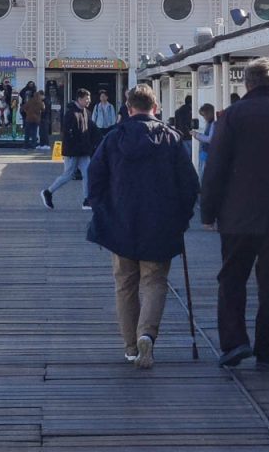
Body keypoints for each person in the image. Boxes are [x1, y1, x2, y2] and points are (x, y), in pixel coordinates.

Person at [201, 57, 269, 371]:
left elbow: (216, 167)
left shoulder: (233, 117)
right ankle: (267, 349)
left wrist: (207, 211)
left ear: (247, 83)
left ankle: (235, 342)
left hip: (237, 216)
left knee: (232, 279)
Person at [87, 84, 199, 368]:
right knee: (154, 281)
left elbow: (95, 178)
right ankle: (147, 333)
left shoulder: (113, 139)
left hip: (120, 223)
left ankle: (130, 347)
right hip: (160, 224)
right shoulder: (172, 139)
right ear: (156, 108)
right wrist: (182, 219)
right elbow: (189, 185)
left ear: (127, 107)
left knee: (125, 284)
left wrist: (103, 210)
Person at [41, 88, 98, 209]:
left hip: (84, 151)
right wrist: (74, 149)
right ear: (79, 99)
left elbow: (91, 130)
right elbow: (68, 134)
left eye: (89, 99)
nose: (89, 101)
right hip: (72, 151)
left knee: (87, 173)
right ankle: (48, 192)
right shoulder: (70, 114)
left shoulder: (86, 112)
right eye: (87, 99)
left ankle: (87, 200)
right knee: (67, 175)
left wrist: (96, 143)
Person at [191, 103, 215, 181]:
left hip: (207, 152)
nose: (204, 117)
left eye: (204, 115)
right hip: (204, 152)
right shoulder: (209, 123)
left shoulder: (213, 124)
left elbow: (209, 139)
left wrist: (197, 135)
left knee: (203, 175)